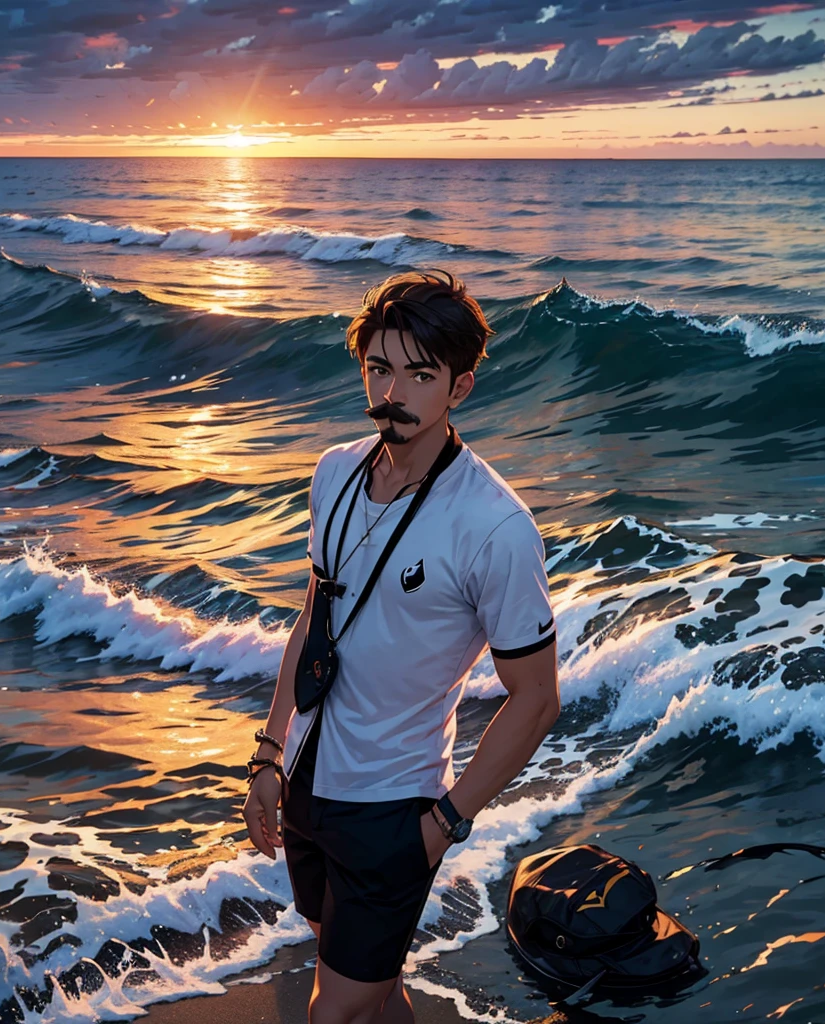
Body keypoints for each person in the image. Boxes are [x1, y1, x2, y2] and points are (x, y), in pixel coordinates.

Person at [243, 269, 560, 1024]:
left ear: (461, 387)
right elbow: (312, 617)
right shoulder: (334, 475)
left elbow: (537, 698)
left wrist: (442, 825)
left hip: (395, 809)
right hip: (310, 787)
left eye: (421, 375)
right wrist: (268, 752)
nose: (395, 393)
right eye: (380, 368)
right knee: (372, 988)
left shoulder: (494, 526)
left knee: (333, 1012)